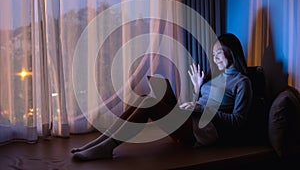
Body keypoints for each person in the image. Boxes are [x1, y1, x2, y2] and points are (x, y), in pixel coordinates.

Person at [71, 33, 253, 161]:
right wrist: (198, 89)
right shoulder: (215, 77)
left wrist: (202, 108)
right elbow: (199, 104)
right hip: (191, 121)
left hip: (203, 133)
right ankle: (101, 142)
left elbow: (238, 121)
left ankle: (106, 147)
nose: (215, 59)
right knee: (145, 95)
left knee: (150, 102)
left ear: (231, 50)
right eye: (213, 55)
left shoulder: (242, 82)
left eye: (218, 53)